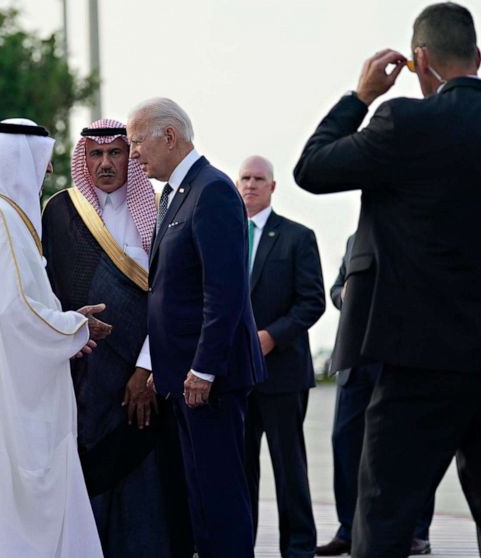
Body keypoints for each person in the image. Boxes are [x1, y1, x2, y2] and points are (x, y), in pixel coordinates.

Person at [293, 3, 481, 556]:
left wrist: (360, 96)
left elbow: (312, 168)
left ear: (418, 59)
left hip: (418, 360)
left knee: (384, 517)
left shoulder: (402, 122)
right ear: (477, 58)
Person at [0, 119, 107, 558]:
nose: (47, 172)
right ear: (18, 158)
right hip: (7, 402)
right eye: (42, 160)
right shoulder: (1, 219)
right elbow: (18, 313)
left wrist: (63, 322)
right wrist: (73, 326)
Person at [41, 118, 192, 557]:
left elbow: (168, 298)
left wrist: (146, 367)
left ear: (131, 156)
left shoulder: (161, 209)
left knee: (144, 467)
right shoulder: (59, 211)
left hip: (143, 370)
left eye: (115, 153)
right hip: (80, 373)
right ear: (83, 159)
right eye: (95, 154)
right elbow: (48, 289)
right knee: (86, 467)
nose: (105, 163)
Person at [128, 98, 265, 557]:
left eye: (136, 141)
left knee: (221, 499)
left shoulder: (214, 190)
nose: (133, 154)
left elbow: (223, 292)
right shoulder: (177, 192)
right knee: (202, 502)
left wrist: (204, 369)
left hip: (210, 381)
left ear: (168, 136)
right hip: (184, 380)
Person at [317, 233, 435, 556]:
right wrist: (346, 294)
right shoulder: (355, 240)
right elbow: (337, 289)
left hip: (400, 359)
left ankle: (416, 532)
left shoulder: (416, 229)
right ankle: (349, 529)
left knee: (409, 448)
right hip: (354, 362)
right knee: (345, 444)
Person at [236, 155, 324, 558]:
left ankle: (300, 548)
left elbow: (312, 302)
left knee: (290, 469)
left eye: (259, 179)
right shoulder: (224, 235)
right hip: (234, 375)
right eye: (245, 178)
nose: (251, 185)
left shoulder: (297, 237)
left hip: (283, 373)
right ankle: (240, 546)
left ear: (272, 187)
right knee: (241, 470)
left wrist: (273, 336)